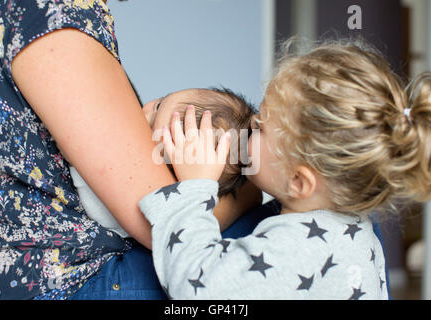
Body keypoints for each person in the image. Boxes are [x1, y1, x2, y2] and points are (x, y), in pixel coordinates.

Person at [0, 0, 260, 300]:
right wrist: (236, 194)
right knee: (266, 240)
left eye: (155, 117)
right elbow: (163, 228)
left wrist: (198, 189)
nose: (145, 109)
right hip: (60, 278)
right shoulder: (54, 22)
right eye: (161, 102)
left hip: (47, 263)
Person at [138, 38, 431, 299]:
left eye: (261, 126)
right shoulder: (350, 222)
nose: (251, 123)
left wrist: (194, 188)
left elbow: (198, 289)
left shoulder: (298, 248)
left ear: (299, 182)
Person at [69, 87, 259, 238]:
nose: (142, 115)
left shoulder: (142, 201)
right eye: (159, 104)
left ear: (169, 180)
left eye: (149, 129)